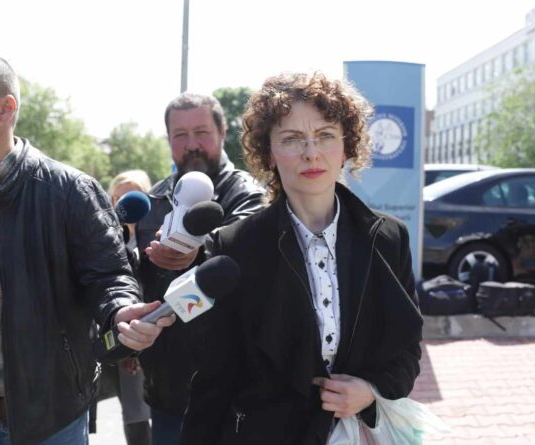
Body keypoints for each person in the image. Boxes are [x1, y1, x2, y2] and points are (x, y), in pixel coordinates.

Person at [0, 47, 174, 445]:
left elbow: (109, 276)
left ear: (5, 109)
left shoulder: (70, 192)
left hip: (48, 425)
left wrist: (121, 312)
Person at [180, 72, 423, 444]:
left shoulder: (388, 239)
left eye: (325, 135)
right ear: (269, 152)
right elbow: (215, 377)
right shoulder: (235, 247)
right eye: (292, 139)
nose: (311, 152)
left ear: (347, 146)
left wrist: (371, 390)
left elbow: (406, 349)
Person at [134, 93, 265, 445]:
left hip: (235, 392)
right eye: (180, 135)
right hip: (168, 392)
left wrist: (194, 250)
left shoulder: (248, 193)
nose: (191, 144)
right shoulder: (153, 200)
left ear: (223, 133)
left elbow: (243, 246)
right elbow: (138, 278)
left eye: (201, 132)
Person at [97, 170, 154, 445]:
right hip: (119, 335)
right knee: (134, 413)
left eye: (132, 196)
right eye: (117, 197)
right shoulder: (103, 238)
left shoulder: (156, 237)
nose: (123, 204)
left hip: (154, 336)